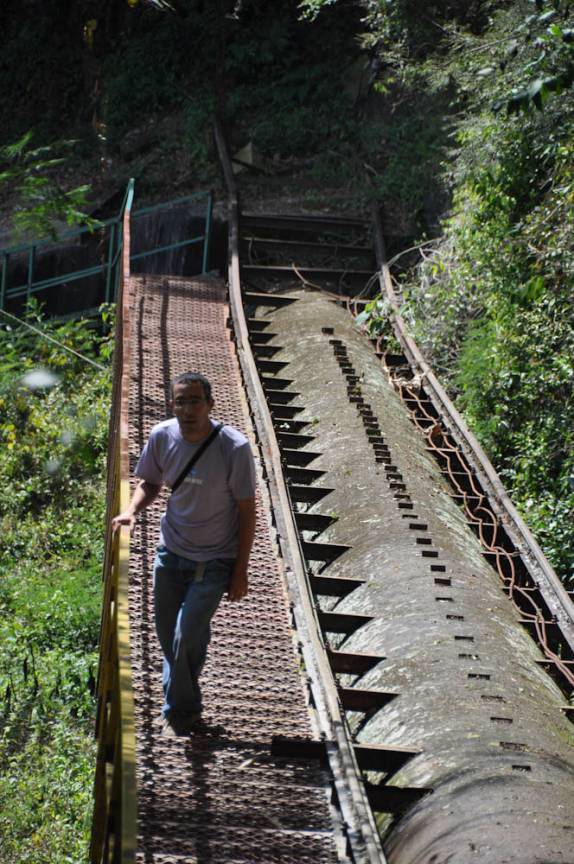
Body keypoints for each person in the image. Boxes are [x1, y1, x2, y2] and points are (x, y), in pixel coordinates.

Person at [112, 371, 256, 737]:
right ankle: (184, 702)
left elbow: (246, 511)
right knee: (169, 636)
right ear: (172, 405)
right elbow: (149, 482)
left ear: (210, 404)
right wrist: (131, 510)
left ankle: (180, 712)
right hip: (171, 552)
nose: (188, 409)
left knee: (186, 633)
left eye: (195, 400)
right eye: (180, 401)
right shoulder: (162, 436)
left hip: (216, 560)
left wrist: (241, 569)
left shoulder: (234, 448)